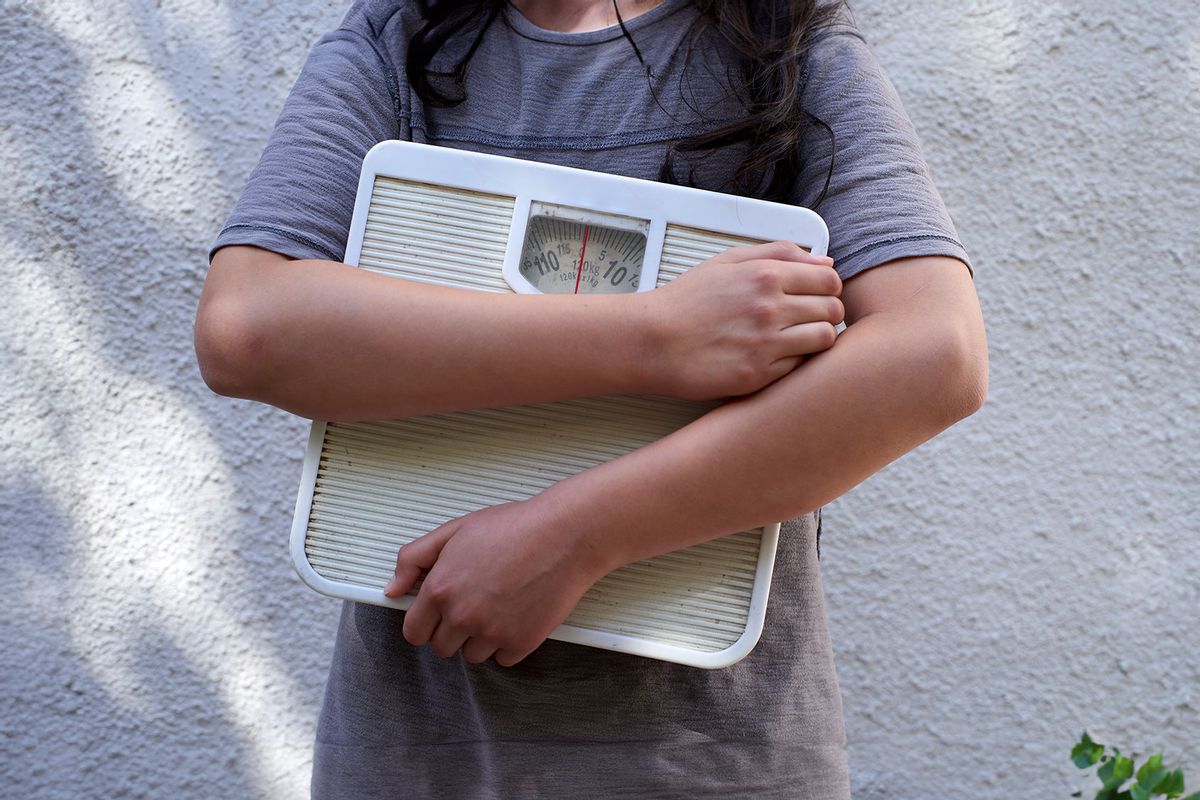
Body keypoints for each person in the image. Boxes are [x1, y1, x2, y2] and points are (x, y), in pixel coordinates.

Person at [194, 0, 988, 796]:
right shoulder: (398, 38)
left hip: (715, 768)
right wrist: (654, 338)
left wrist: (576, 537)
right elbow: (247, 327)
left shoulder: (786, 39)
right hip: (421, 762)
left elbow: (935, 356)